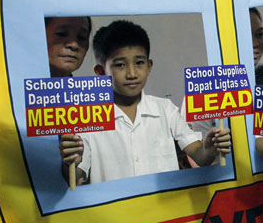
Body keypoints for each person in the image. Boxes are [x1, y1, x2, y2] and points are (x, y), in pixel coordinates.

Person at [59, 20, 231, 184]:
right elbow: (76, 178)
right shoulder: (87, 118)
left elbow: (199, 156)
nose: (132, 73)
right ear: (100, 72)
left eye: (139, 63)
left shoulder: (166, 109)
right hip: (112, 214)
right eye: (120, 65)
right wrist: (71, 162)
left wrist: (209, 148)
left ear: (149, 66)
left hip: (167, 213)